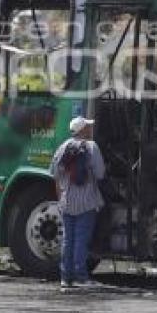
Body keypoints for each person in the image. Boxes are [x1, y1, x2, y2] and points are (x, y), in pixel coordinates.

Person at [49, 116, 105, 289]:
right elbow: (100, 173)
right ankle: (81, 276)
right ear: (82, 130)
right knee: (81, 239)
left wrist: (60, 198)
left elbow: (54, 173)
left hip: (67, 201)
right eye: (87, 126)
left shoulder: (63, 147)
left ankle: (65, 277)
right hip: (87, 201)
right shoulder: (91, 147)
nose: (90, 128)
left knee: (67, 240)